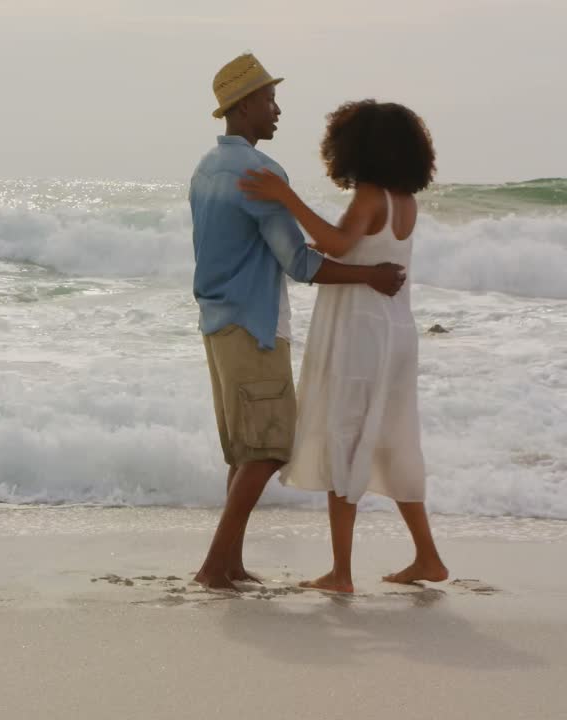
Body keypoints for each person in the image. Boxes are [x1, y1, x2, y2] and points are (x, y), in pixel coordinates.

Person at [189, 54, 406, 591]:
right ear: (243, 108)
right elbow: (300, 263)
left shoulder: (205, 169)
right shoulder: (261, 173)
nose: (277, 109)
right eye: (268, 99)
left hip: (216, 323)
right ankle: (216, 566)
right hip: (256, 325)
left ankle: (232, 564)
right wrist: (370, 276)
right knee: (266, 450)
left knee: (243, 451)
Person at [238, 100, 448, 594]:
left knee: (345, 436)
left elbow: (335, 243)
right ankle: (428, 557)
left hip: (361, 333)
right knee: (394, 440)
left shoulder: (371, 196)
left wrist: (284, 196)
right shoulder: (404, 201)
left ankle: (341, 573)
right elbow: (358, 249)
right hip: (396, 332)